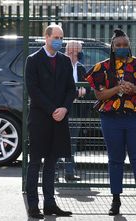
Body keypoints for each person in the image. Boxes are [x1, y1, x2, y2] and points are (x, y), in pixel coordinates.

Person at [85, 29, 136, 217]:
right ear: (112, 46)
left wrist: (134, 88)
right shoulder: (101, 68)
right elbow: (100, 95)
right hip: (111, 119)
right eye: (118, 45)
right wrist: (118, 88)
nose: (122, 48)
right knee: (115, 160)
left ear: (129, 46)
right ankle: (115, 200)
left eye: (125, 45)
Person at [25, 24, 77, 219]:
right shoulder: (33, 60)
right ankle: (33, 205)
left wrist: (64, 108)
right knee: (35, 161)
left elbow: (71, 89)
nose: (59, 41)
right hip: (40, 119)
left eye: (61, 37)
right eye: (56, 37)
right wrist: (52, 109)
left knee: (52, 163)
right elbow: (33, 89)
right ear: (46, 37)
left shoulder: (65, 61)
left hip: (59, 119)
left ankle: (50, 204)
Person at [59, 40, 89, 181]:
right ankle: (53, 174)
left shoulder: (81, 68)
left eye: (76, 51)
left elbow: (85, 88)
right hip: (60, 108)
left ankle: (69, 173)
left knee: (72, 142)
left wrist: (76, 92)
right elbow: (61, 89)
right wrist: (76, 93)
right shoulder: (59, 66)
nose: (72, 54)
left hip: (75, 110)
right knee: (57, 140)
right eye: (70, 51)